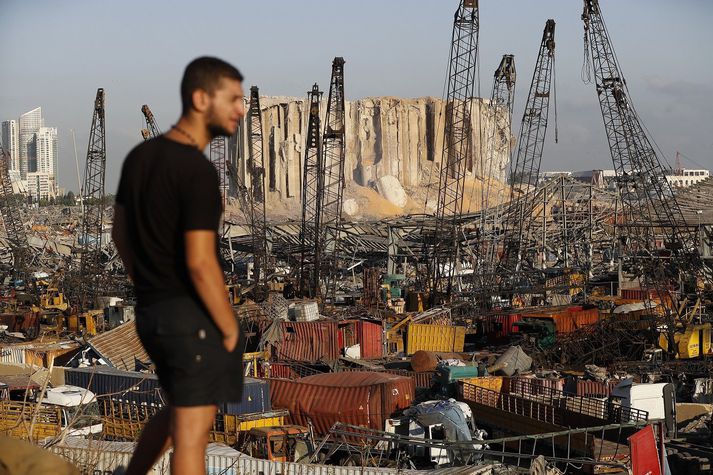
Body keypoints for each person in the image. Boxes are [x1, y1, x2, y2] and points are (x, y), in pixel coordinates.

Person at [112, 56, 246, 475]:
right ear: (201, 98)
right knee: (194, 434)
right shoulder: (198, 172)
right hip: (191, 321)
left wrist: (149, 287)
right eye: (234, 99)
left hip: (151, 314)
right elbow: (201, 262)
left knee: (176, 414)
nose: (241, 109)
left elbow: (118, 234)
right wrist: (228, 327)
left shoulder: (140, 157)